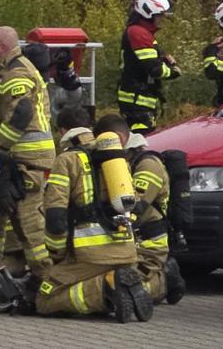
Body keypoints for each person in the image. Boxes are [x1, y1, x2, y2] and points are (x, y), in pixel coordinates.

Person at [35, 115, 153, 321]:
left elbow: (55, 216)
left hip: (89, 255)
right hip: (126, 252)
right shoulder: (116, 161)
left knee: (45, 298)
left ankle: (106, 288)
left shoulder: (67, 160)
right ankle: (116, 288)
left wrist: (57, 254)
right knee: (85, 282)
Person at [0, 26, 55, 278]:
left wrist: (0, 148)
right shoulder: (4, 71)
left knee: (27, 219)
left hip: (28, 158)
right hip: (13, 157)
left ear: (1, 47)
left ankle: (46, 277)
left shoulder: (17, 73)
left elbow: (20, 114)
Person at [127, 132, 185, 305]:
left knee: (131, 286)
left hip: (150, 238)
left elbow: (137, 204)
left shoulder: (148, 165)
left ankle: (165, 279)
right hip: (138, 237)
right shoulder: (131, 164)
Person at [119, 0, 179, 133]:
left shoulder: (143, 32)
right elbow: (155, 69)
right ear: (148, 13)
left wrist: (164, 60)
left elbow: (153, 59)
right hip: (137, 100)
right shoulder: (138, 33)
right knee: (141, 142)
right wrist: (173, 71)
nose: (162, 19)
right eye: (159, 16)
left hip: (139, 99)